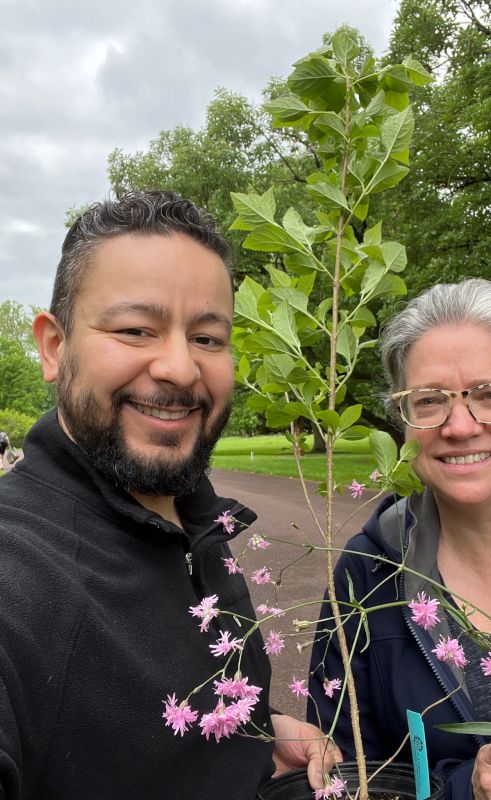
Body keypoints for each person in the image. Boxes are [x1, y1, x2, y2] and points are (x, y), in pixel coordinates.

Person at [0, 191, 339, 800]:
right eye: (136, 330)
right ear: (54, 347)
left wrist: (253, 736)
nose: (181, 369)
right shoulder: (15, 568)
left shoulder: (197, 526)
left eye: (208, 338)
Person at [308, 279, 491, 799]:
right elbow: (344, 777)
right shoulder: (367, 573)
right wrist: (464, 791)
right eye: (428, 401)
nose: (460, 426)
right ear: (402, 419)